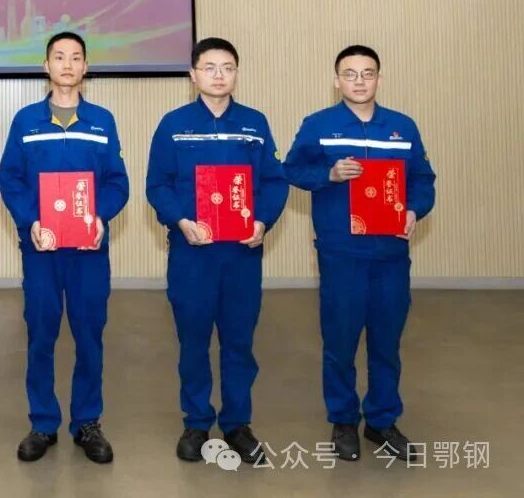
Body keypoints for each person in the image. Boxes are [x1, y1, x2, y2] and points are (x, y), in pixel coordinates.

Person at [284, 45, 435, 462]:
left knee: (387, 341)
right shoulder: (319, 125)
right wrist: (329, 174)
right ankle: (344, 420)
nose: (359, 81)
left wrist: (413, 209)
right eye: (350, 74)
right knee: (341, 340)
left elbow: (423, 179)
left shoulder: (401, 127)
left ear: (379, 79)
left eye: (367, 73)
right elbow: (291, 169)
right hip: (341, 252)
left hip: (390, 253)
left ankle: (382, 420)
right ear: (337, 81)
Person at [146, 37, 289, 464]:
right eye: (209, 67)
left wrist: (263, 221)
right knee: (193, 340)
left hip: (241, 254)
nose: (219, 75)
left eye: (227, 67)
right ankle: (196, 422)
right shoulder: (173, 124)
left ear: (236, 73)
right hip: (193, 252)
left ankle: (238, 423)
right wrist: (180, 220)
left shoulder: (254, 124)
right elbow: (158, 184)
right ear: (193, 75)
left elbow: (274, 181)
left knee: (238, 341)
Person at [0, 31, 129, 464]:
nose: (67, 65)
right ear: (46, 66)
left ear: (85, 67)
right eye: (59, 57)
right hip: (42, 248)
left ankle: (87, 421)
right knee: (41, 334)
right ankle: (42, 422)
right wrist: (30, 220)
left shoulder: (102, 121)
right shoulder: (26, 121)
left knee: (89, 334)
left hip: (89, 251)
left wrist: (100, 216)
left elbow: (118, 182)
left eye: (75, 58)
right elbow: (10, 178)